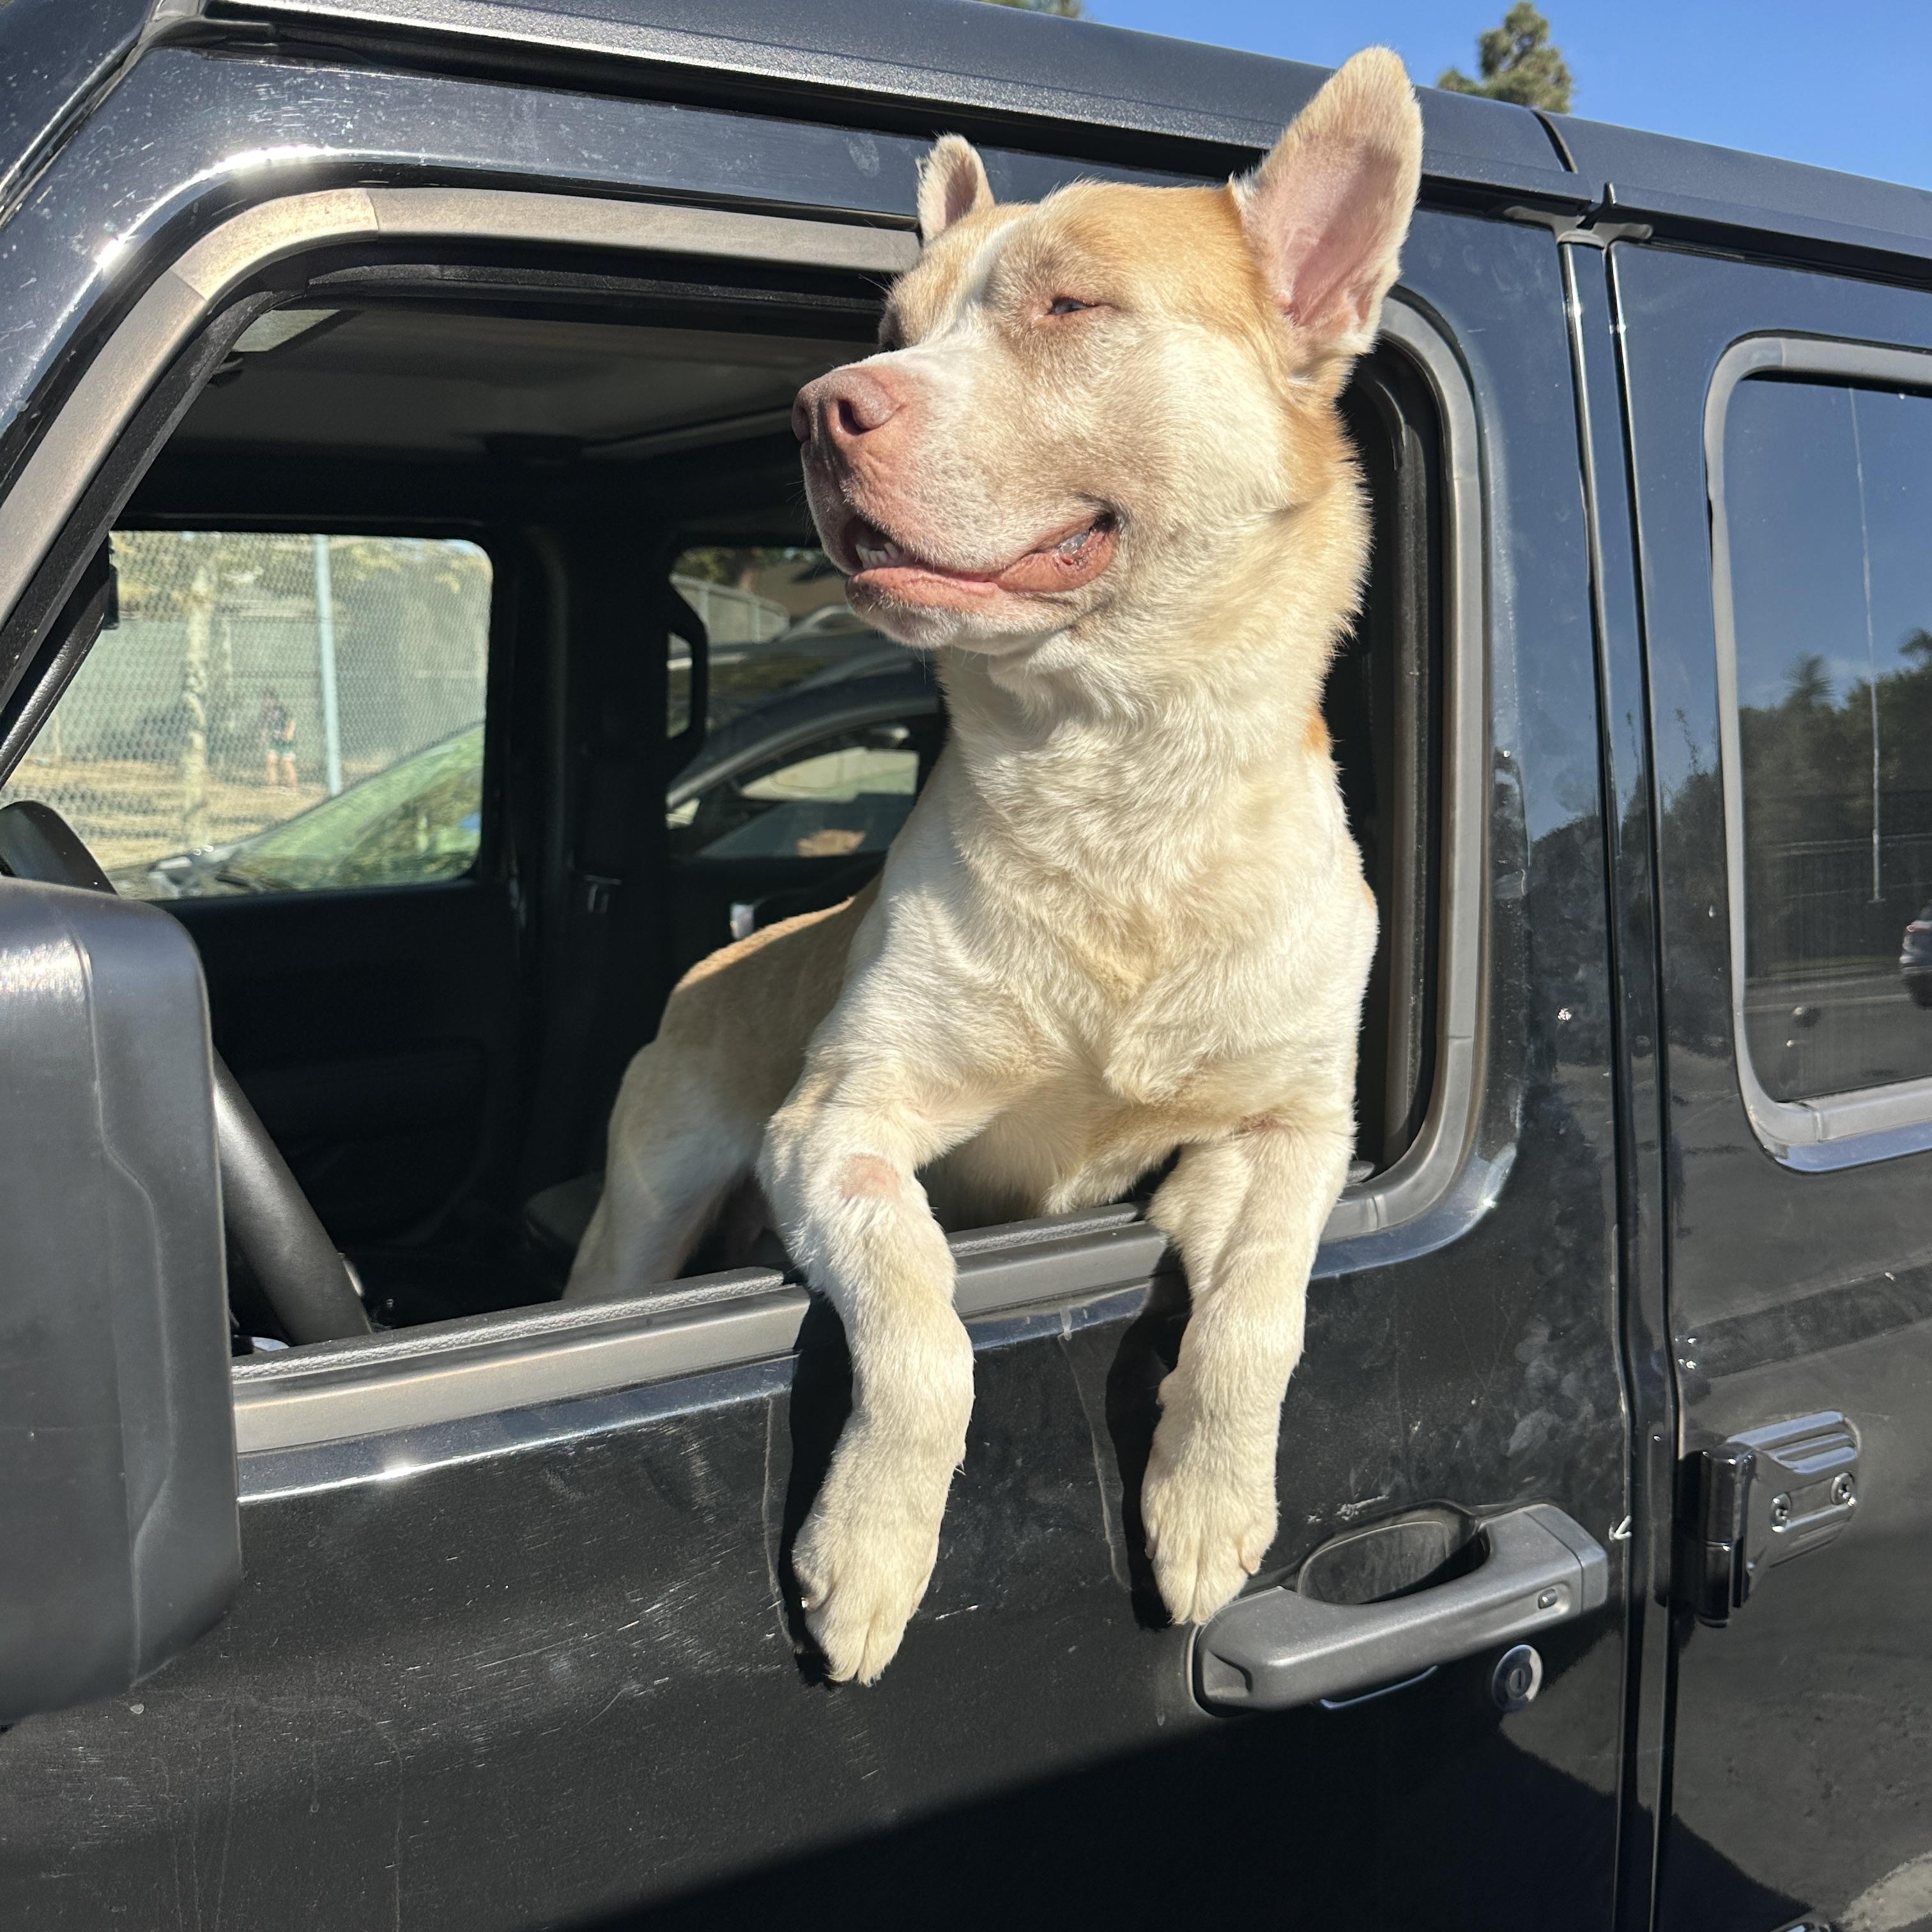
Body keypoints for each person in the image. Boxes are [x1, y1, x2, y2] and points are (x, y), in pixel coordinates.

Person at [259, 689, 297, 790]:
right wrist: (263, 735)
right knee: (271, 760)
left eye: (269, 700)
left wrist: (290, 731)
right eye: (265, 700)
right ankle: (272, 784)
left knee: (287, 763)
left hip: (285, 741)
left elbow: (292, 720)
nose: (266, 702)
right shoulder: (265, 713)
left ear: (274, 700)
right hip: (275, 741)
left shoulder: (280, 710)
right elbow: (264, 726)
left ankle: (293, 785)